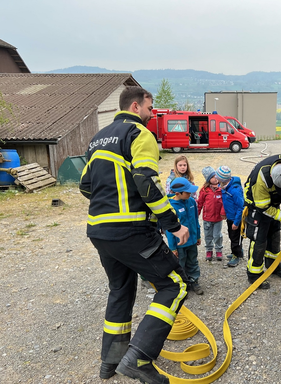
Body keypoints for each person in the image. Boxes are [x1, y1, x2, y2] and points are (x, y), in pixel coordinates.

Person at [79, 86, 189, 383]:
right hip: (130, 230)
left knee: (121, 289)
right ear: (137, 106)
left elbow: (85, 186)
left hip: (99, 230)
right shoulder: (139, 134)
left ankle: (110, 362)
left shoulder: (97, 139)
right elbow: (146, 182)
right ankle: (139, 358)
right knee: (174, 285)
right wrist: (173, 225)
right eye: (151, 109)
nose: (152, 115)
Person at [243, 154, 281, 289]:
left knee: (275, 236)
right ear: (273, 180)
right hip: (258, 207)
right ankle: (254, 274)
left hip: (271, 204)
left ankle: (273, 266)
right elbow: (264, 208)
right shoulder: (261, 181)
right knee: (259, 241)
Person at [165, 177, 204, 295]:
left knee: (193, 261)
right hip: (179, 244)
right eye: (187, 192)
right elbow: (169, 229)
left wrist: (197, 235)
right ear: (178, 193)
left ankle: (194, 280)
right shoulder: (170, 207)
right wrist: (172, 247)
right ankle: (182, 285)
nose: (190, 193)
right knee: (180, 264)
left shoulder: (191, 201)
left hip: (192, 242)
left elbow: (196, 221)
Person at [215, 165, 245, 268]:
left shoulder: (234, 190)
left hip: (236, 218)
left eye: (218, 179)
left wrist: (236, 222)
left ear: (223, 179)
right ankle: (238, 252)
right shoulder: (225, 185)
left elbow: (240, 207)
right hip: (230, 217)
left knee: (235, 237)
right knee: (232, 235)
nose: (217, 182)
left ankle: (236, 255)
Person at [197, 166, 225, 261]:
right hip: (207, 218)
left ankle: (218, 249)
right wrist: (197, 213)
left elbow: (225, 203)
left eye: (216, 176)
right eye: (212, 177)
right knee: (208, 235)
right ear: (208, 179)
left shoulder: (221, 189)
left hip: (218, 218)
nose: (215, 178)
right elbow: (200, 202)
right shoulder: (204, 190)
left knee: (217, 235)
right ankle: (209, 250)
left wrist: (223, 212)